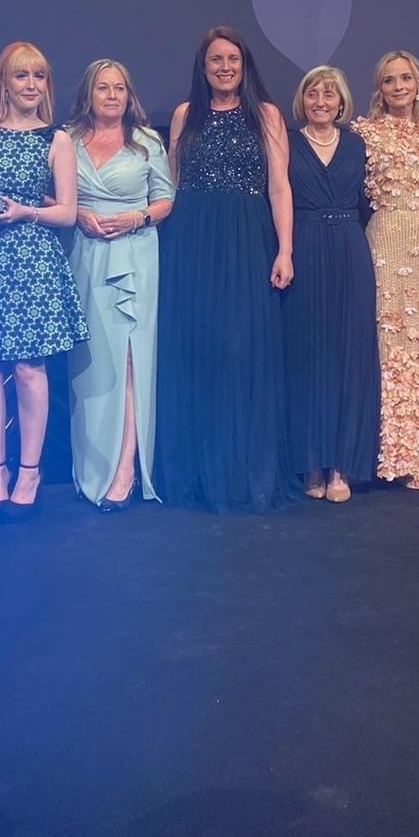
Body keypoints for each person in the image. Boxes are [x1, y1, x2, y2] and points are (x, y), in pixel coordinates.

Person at [155, 25, 294, 514]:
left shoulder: (267, 115)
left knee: (240, 350)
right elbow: (171, 184)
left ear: (245, 65)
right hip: (191, 240)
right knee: (198, 350)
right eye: (216, 59)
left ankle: (242, 475)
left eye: (233, 59)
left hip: (247, 238)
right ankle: (197, 474)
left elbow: (279, 186)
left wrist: (285, 250)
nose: (225, 67)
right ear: (203, 66)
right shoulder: (184, 115)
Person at [0, 42, 87, 518]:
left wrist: (26, 212)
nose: (31, 85)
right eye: (21, 76)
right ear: (3, 83)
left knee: (29, 368)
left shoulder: (56, 139)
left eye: (39, 76)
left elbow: (67, 212)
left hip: (30, 257)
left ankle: (30, 471)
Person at [66, 59, 175, 512]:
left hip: (134, 256)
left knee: (131, 359)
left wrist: (136, 217)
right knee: (90, 362)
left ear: (129, 96)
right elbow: (50, 195)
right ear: (88, 94)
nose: (111, 96)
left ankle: (125, 468)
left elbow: (166, 199)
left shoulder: (147, 142)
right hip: (85, 254)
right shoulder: (67, 141)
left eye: (119, 89)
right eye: (103, 88)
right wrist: (78, 214)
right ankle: (92, 465)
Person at [281, 67, 380, 502]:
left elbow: (368, 203)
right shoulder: (286, 142)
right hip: (303, 246)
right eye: (313, 94)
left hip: (349, 250)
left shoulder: (358, 144)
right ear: (302, 100)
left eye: (329, 94)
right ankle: (311, 463)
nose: (320, 102)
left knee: (348, 356)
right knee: (308, 356)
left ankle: (342, 465)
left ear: (342, 102)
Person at [353, 51, 419, 490]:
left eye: (405, 78)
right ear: (380, 88)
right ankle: (383, 452)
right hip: (384, 239)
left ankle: (418, 456)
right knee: (385, 341)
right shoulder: (365, 133)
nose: (398, 87)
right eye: (389, 80)